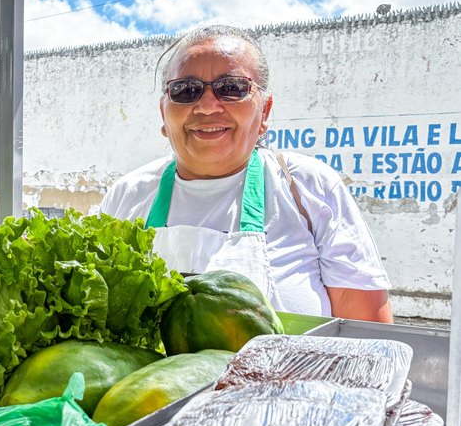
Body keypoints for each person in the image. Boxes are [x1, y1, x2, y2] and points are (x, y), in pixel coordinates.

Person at [101, 24, 393, 323]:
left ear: (264, 112)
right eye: (186, 90)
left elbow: (368, 330)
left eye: (232, 88)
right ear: (164, 113)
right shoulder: (127, 195)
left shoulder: (308, 186)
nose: (207, 106)